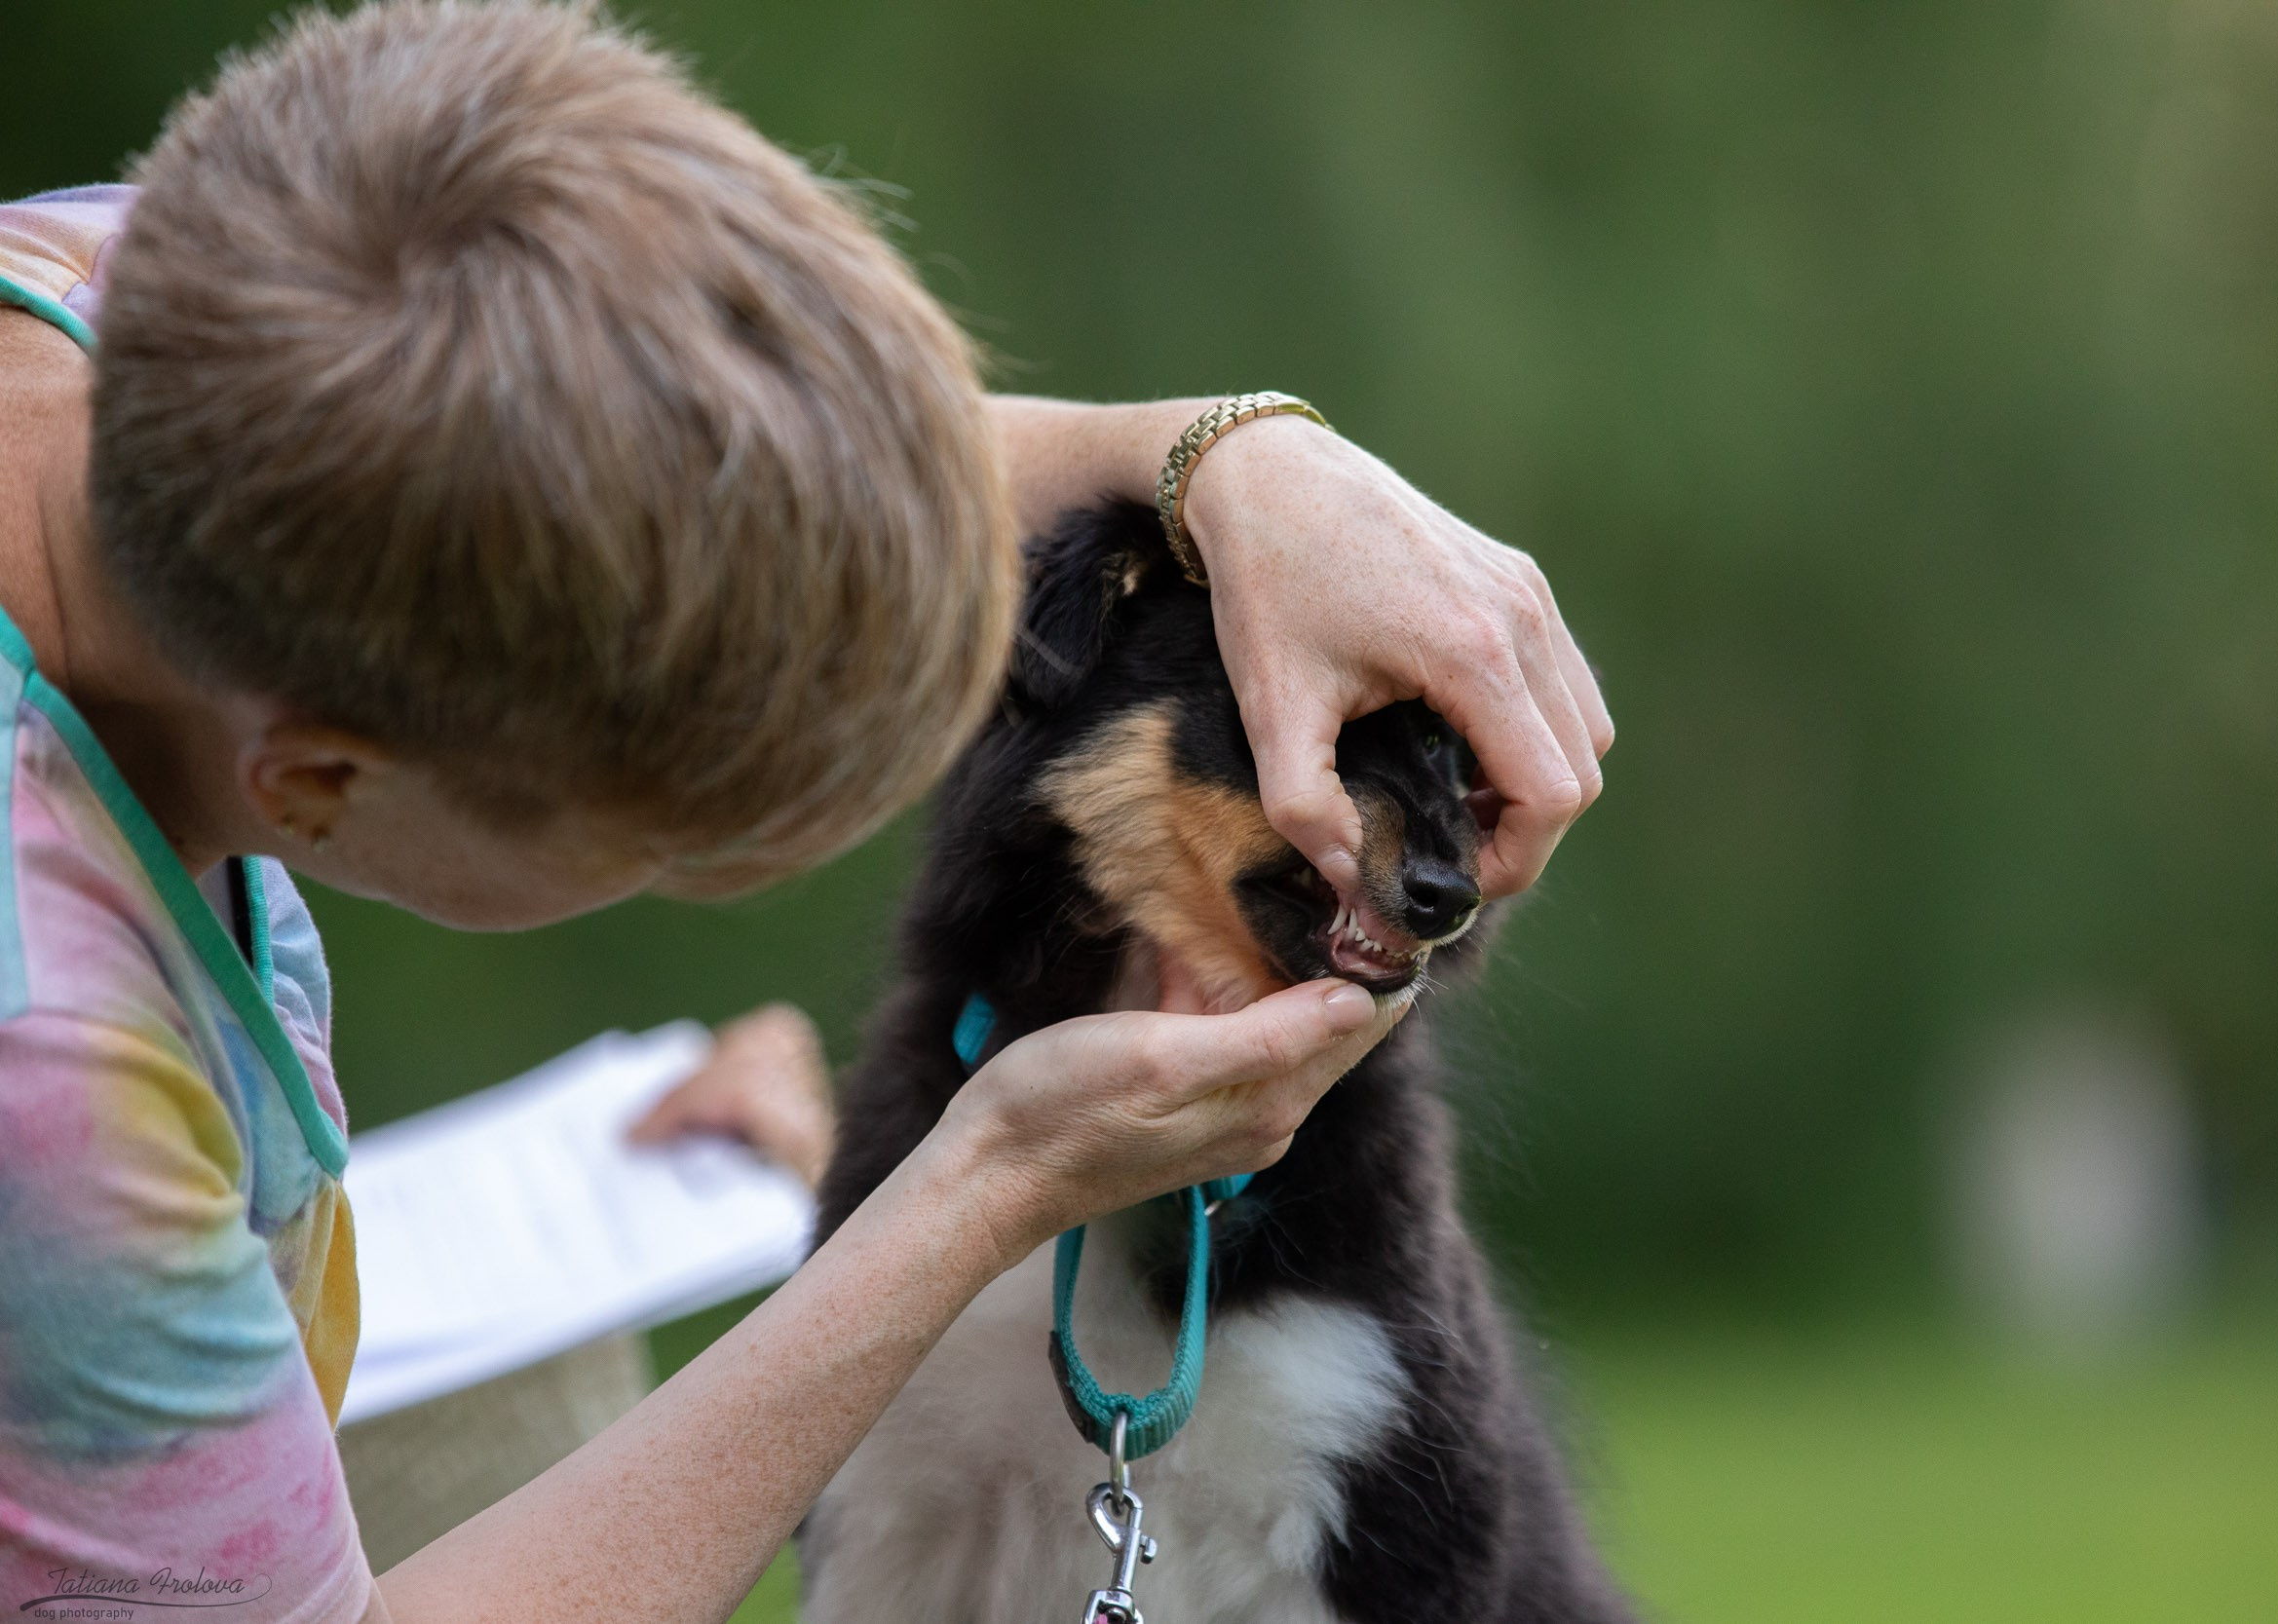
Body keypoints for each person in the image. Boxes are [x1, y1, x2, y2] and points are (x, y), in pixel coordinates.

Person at [0, 6, 1610, 1623]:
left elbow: (667, 457)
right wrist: (982, 1187)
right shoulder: (45, 1066)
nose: (747, 853)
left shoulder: (188, 299)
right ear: (318, 777)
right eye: (676, 836)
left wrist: (1224, 463)